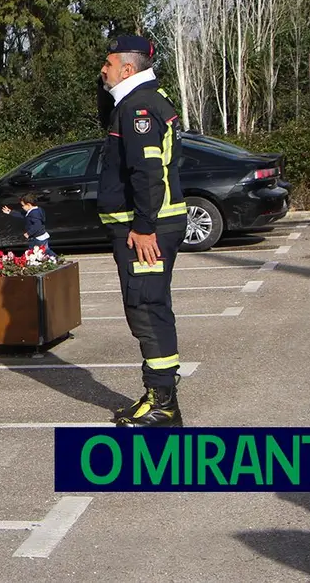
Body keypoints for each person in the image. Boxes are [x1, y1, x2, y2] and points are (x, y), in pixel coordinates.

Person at [98, 34, 188, 428]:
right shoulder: (142, 100)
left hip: (148, 230)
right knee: (147, 308)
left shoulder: (138, 107)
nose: (103, 70)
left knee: (148, 310)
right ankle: (157, 394)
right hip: (147, 226)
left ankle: (163, 404)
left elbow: (148, 171)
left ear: (128, 68)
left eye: (109, 63)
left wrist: (144, 228)